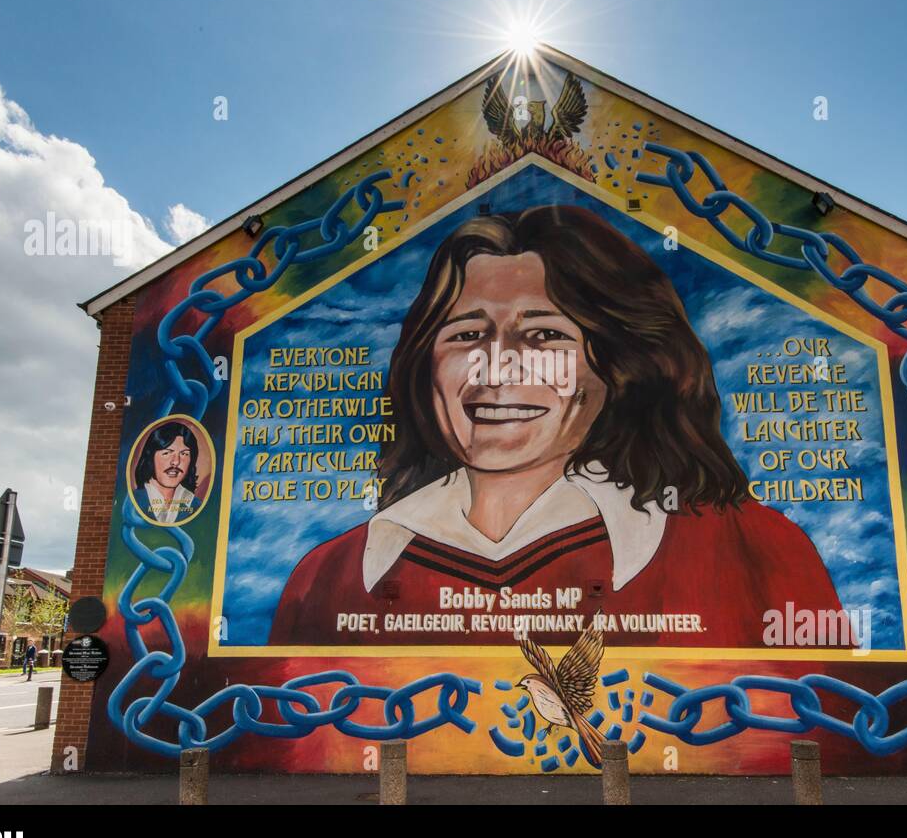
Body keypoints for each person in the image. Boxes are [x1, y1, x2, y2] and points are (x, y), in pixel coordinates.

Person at [271, 205, 843, 649]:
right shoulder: (329, 578)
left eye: (545, 335)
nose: (498, 366)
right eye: (467, 335)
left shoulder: (754, 552)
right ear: (426, 367)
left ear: (617, 365)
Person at [133, 421, 204, 523]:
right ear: (150, 457)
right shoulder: (133, 502)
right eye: (167, 453)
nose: (176, 462)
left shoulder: (196, 505)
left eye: (184, 454)